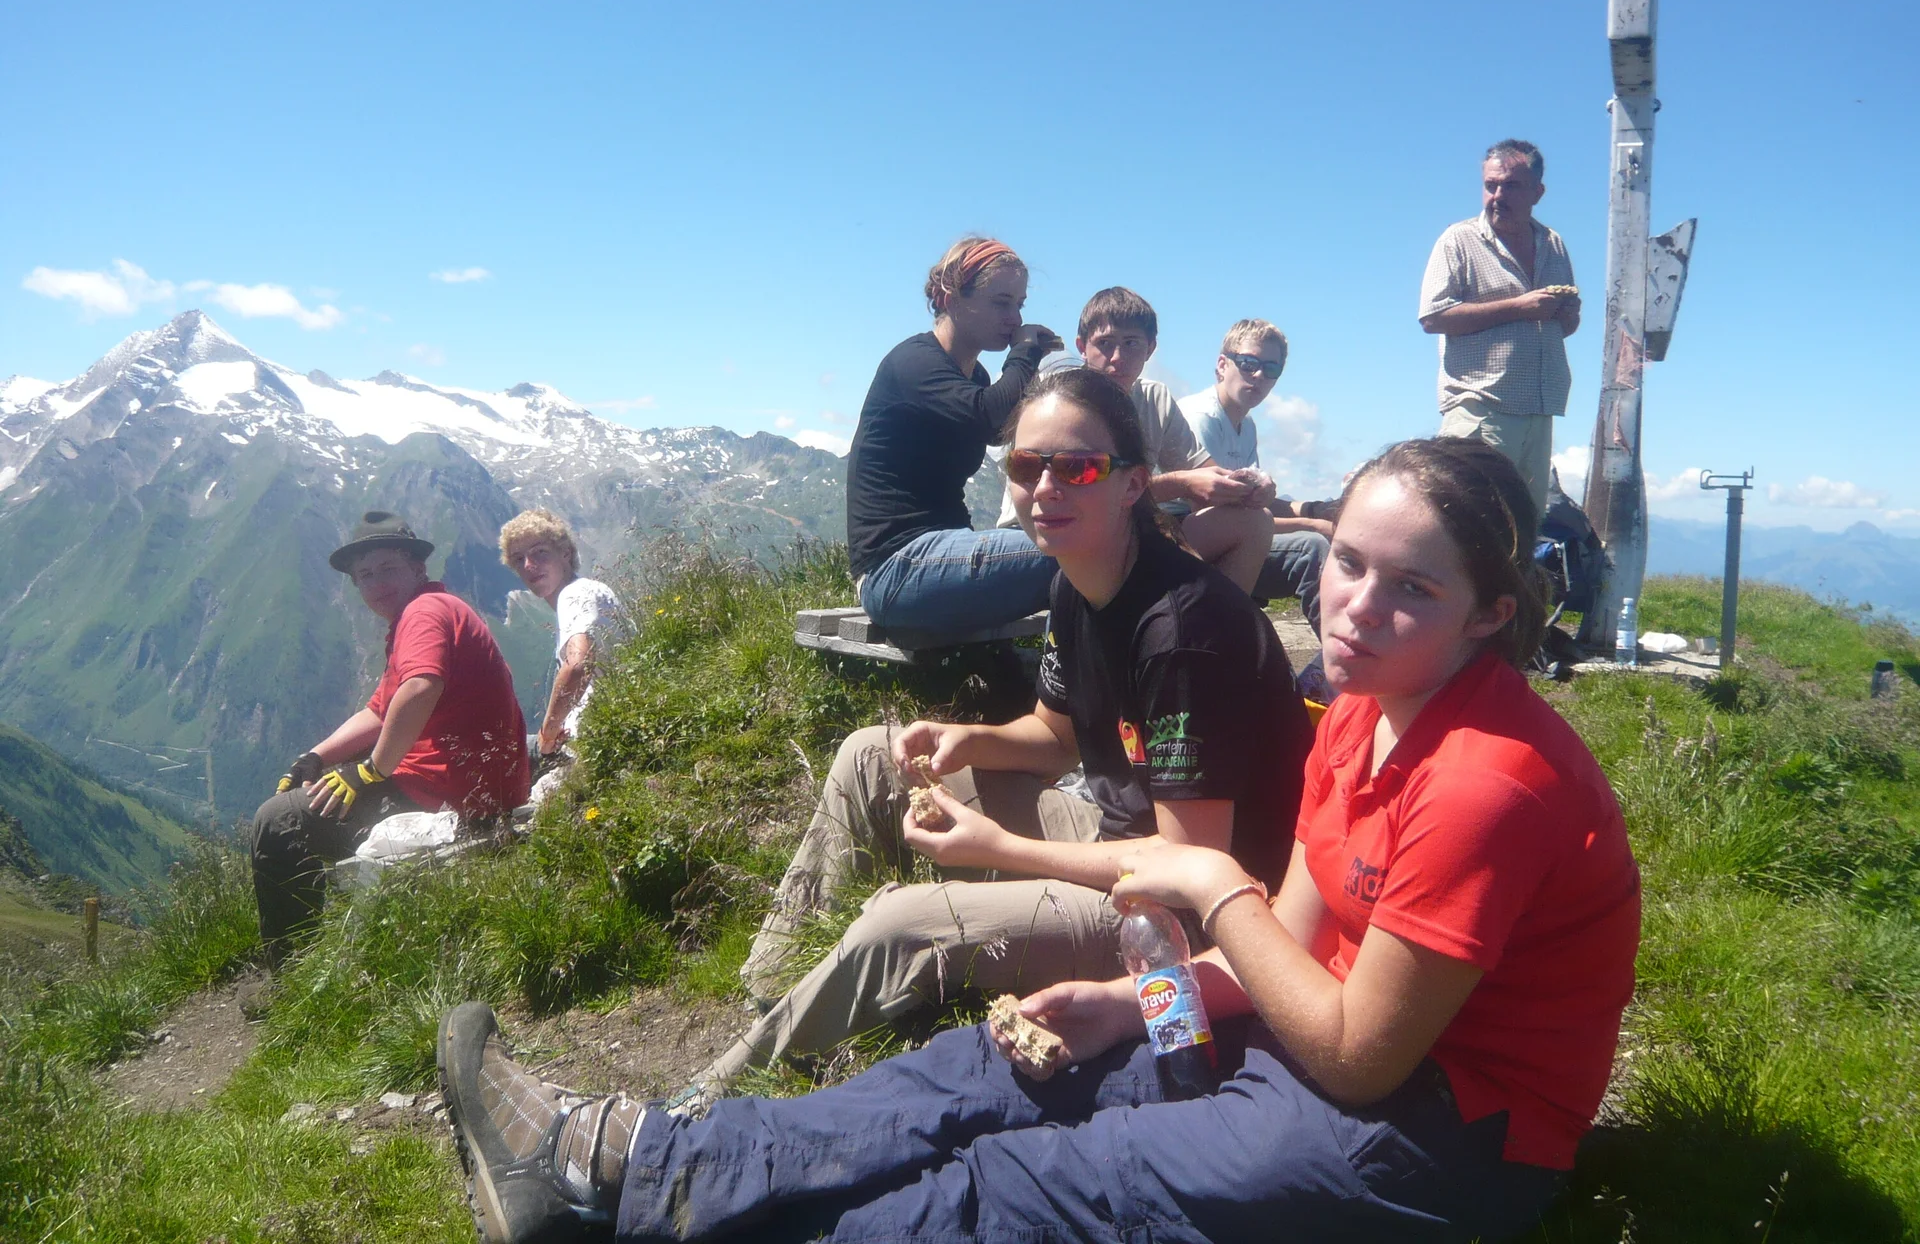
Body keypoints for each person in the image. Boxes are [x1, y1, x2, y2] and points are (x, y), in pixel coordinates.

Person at [437, 436, 1640, 1244]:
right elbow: (1303, 952)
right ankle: (630, 1167)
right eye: (1348, 566)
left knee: (1041, 1184)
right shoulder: (1365, 716)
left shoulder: (1489, 782)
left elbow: (1362, 1057)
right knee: (995, 1067)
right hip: (1306, 1050)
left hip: (1440, 1138)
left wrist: (1217, 889)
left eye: (1412, 591)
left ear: (1489, 613)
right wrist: (1134, 1008)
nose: (1356, 608)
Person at [718, 365, 1312, 1104]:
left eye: (1078, 466)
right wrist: (967, 737)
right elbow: (1055, 735)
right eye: (1027, 466)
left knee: (900, 925)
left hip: (1189, 913)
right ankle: (774, 985)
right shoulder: (1073, 579)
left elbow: (1191, 860)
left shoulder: (1184, 627)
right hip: (1120, 839)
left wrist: (996, 851)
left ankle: (710, 1105)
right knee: (869, 755)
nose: (1045, 487)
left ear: (1135, 484)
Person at [249, 511, 528, 964]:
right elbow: (381, 710)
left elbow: (420, 686)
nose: (376, 583)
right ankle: (319, 947)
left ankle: (289, 970)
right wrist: (314, 758)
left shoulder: (423, 614)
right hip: (476, 786)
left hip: (449, 794)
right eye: (365, 576)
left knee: (278, 823)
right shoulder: (428, 612)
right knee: (309, 801)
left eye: (388, 569)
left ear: (418, 569)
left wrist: (369, 772)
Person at [844, 236, 1064, 634]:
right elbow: (988, 417)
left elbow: (998, 429)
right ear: (951, 299)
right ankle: (1069, 686)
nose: (1015, 318)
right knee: (1077, 549)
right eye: (1001, 302)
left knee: (1090, 543)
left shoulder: (974, 377)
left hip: (938, 554)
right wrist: (1025, 352)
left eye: (1019, 304)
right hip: (896, 567)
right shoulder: (914, 363)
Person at [996, 288, 1276, 594]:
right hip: (1044, 529)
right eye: (1104, 344)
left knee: (1252, 522)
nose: (1117, 358)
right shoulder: (1059, 400)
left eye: (1131, 344)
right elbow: (1081, 491)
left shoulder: (1155, 400)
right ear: (1082, 347)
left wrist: (1246, 485)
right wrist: (1182, 484)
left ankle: (1218, 632)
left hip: (1115, 530)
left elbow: (1205, 473)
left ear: (1150, 349)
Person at [1419, 139, 1581, 517]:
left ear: (1537, 192)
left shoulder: (1553, 244)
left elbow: (1561, 328)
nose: (1497, 195)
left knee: (1524, 526)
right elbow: (1433, 317)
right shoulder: (1458, 240)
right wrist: (1518, 307)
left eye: (1511, 186)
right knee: (1471, 525)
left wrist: (1568, 315)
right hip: (1481, 408)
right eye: (1491, 185)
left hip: (1539, 411)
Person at [1178, 318, 1332, 631]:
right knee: (1312, 548)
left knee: (1321, 542)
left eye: (1271, 369)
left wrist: (1318, 510)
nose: (1259, 375)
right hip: (1176, 534)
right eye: (1248, 364)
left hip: (1219, 531)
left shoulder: (1246, 427)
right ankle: (1348, 666)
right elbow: (1216, 515)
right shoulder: (1201, 417)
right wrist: (1312, 523)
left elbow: (1247, 507)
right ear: (1222, 365)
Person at [499, 508, 630, 771]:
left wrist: (548, 735)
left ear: (565, 554)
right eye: (518, 559)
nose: (528, 565)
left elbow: (578, 665)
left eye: (539, 552)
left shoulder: (574, 595)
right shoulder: (590, 590)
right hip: (611, 725)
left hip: (594, 738)